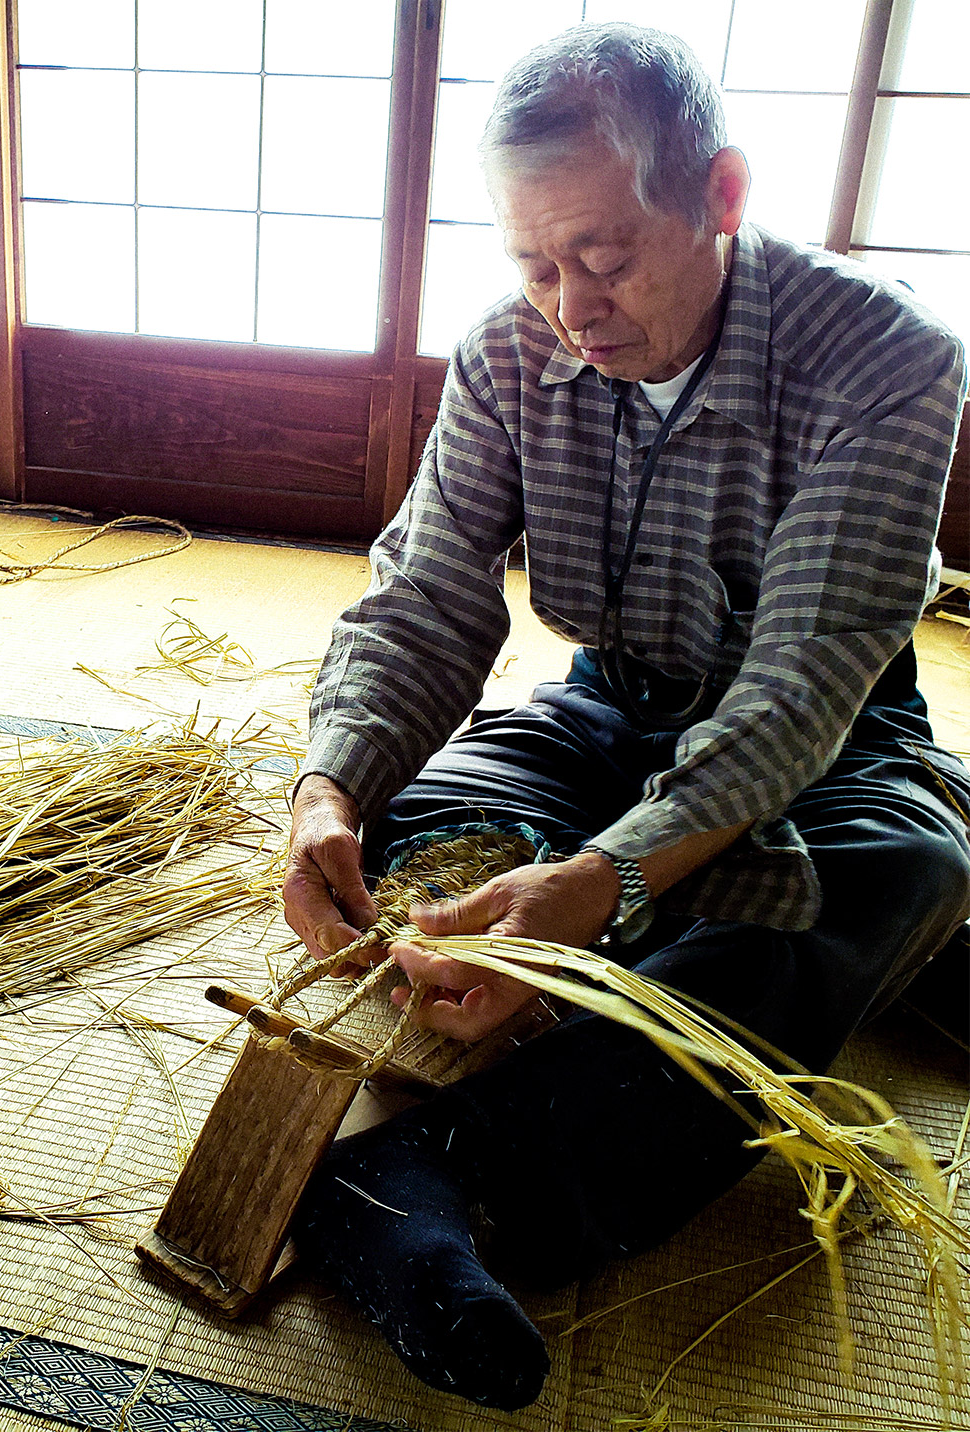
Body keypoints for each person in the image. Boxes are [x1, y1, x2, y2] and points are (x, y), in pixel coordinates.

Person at [282, 22, 970, 1412]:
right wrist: (328, 792)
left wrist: (607, 877)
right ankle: (706, 965)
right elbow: (423, 595)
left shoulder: (883, 362)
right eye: (532, 264)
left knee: (888, 872)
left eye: (600, 254)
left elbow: (800, 684)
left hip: (824, 743)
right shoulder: (506, 359)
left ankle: (426, 1180)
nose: (569, 307)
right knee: (423, 838)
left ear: (718, 194)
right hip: (607, 707)